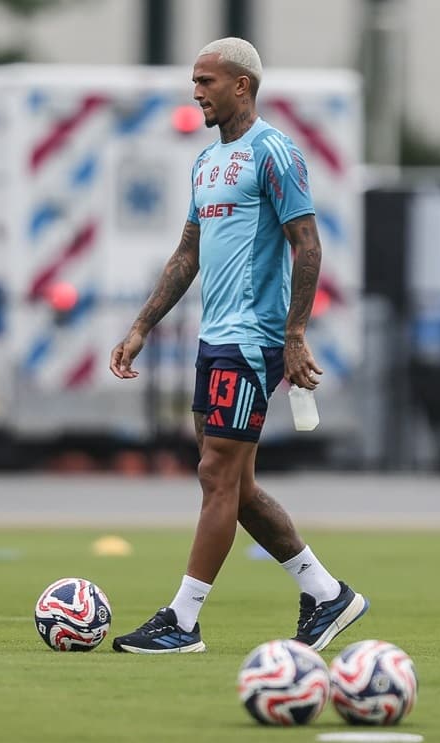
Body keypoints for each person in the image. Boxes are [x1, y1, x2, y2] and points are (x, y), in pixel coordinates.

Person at [107, 37, 367, 653]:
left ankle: (184, 620)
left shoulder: (274, 153)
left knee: (217, 475)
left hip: (251, 341)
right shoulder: (205, 163)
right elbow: (188, 253)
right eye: (194, 82)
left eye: (206, 81)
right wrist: (142, 325)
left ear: (242, 85)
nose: (196, 92)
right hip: (213, 339)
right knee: (233, 484)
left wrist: (294, 334)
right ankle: (327, 593)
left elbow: (308, 243)